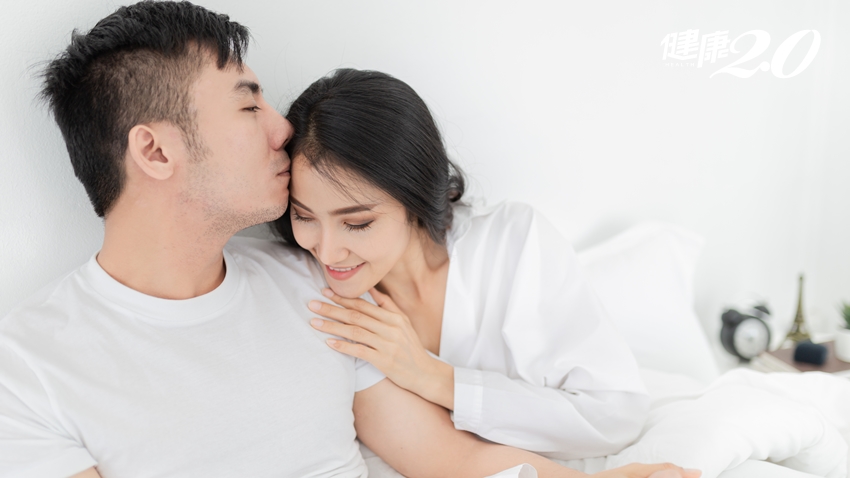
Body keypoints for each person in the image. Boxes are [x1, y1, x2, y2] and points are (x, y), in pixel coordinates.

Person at [0, 2, 700, 478]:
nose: (282, 127)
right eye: (248, 102)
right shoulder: (27, 368)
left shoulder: (313, 287)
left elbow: (454, 461)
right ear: (155, 152)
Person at [274, 68, 650, 460]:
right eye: (304, 216)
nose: (328, 252)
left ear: (414, 197)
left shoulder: (513, 244)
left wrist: (434, 377)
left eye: (357, 223)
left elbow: (615, 415)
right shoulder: (305, 286)